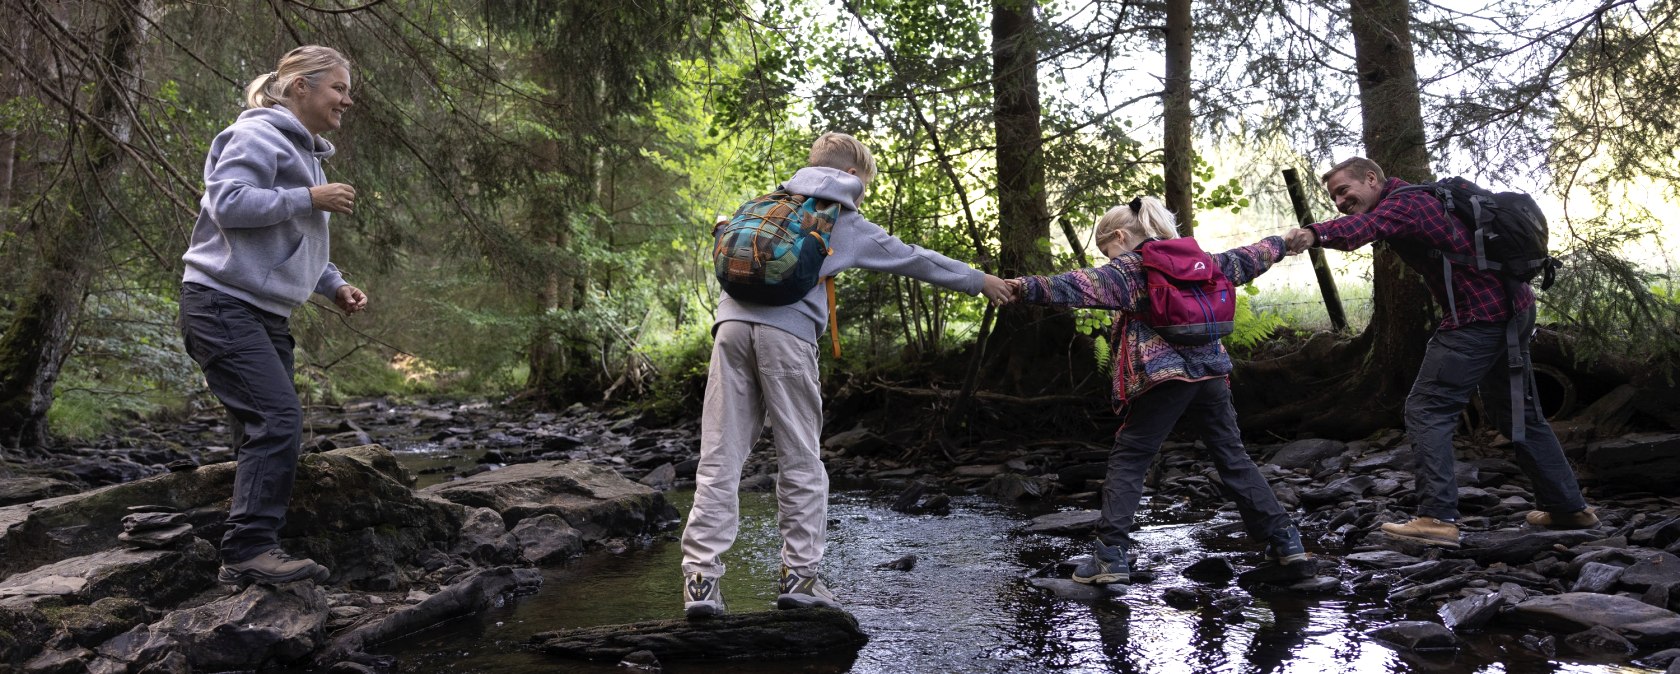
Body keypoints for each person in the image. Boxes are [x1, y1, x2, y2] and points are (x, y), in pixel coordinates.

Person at [681, 132, 1013, 617]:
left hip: (729, 328)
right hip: (787, 337)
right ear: (854, 176)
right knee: (800, 458)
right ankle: (800, 578)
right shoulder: (842, 219)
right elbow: (915, 259)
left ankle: (701, 581)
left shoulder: (765, 204)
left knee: (720, 456)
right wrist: (980, 280)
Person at [1285, 157, 1595, 548]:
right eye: (1333, 198)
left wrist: (1313, 234)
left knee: (1427, 409)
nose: (1340, 202)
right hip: (1512, 307)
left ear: (1371, 178)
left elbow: (1365, 228)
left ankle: (1438, 518)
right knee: (1517, 413)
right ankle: (1568, 507)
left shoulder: (1404, 204)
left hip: (1480, 316)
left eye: (1344, 191)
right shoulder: (1421, 197)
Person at [1006, 197, 1307, 584]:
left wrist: (1018, 288)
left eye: (1108, 251)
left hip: (1162, 376)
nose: (1109, 259)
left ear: (1120, 235)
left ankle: (1109, 557)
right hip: (1212, 372)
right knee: (1232, 457)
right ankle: (1285, 541)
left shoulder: (1131, 269)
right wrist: (1283, 242)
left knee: (1130, 457)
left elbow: (1075, 285)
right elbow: (1246, 258)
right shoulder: (1199, 259)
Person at [179, 45, 366, 585]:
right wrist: (309, 196)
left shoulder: (306, 154)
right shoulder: (256, 135)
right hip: (220, 303)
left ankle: (250, 544)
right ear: (301, 87)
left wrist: (334, 285)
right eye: (339, 88)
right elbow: (230, 203)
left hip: (263, 314)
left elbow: (297, 238)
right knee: (278, 420)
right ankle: (248, 550)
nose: (346, 101)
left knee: (259, 430)